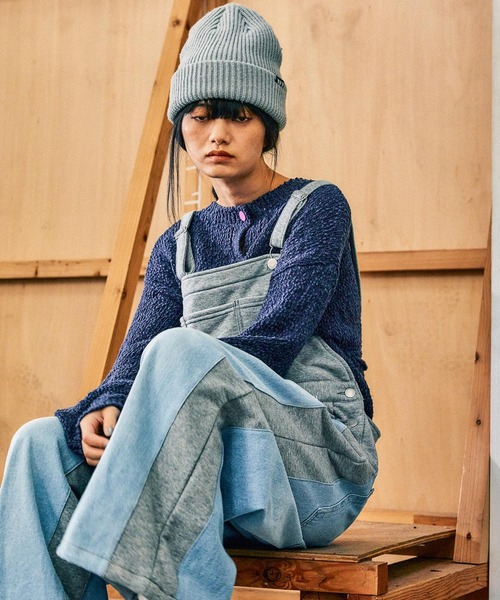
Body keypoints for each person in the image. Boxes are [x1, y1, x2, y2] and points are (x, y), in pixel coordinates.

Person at [0, 4, 380, 599]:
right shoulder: (176, 245)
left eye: (239, 116)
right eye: (200, 116)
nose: (217, 134)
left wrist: (157, 390)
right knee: (39, 445)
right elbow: (131, 365)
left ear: (268, 124)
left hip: (311, 473)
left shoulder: (317, 208)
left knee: (179, 351)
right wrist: (104, 409)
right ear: (182, 126)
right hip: (206, 476)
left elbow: (276, 340)